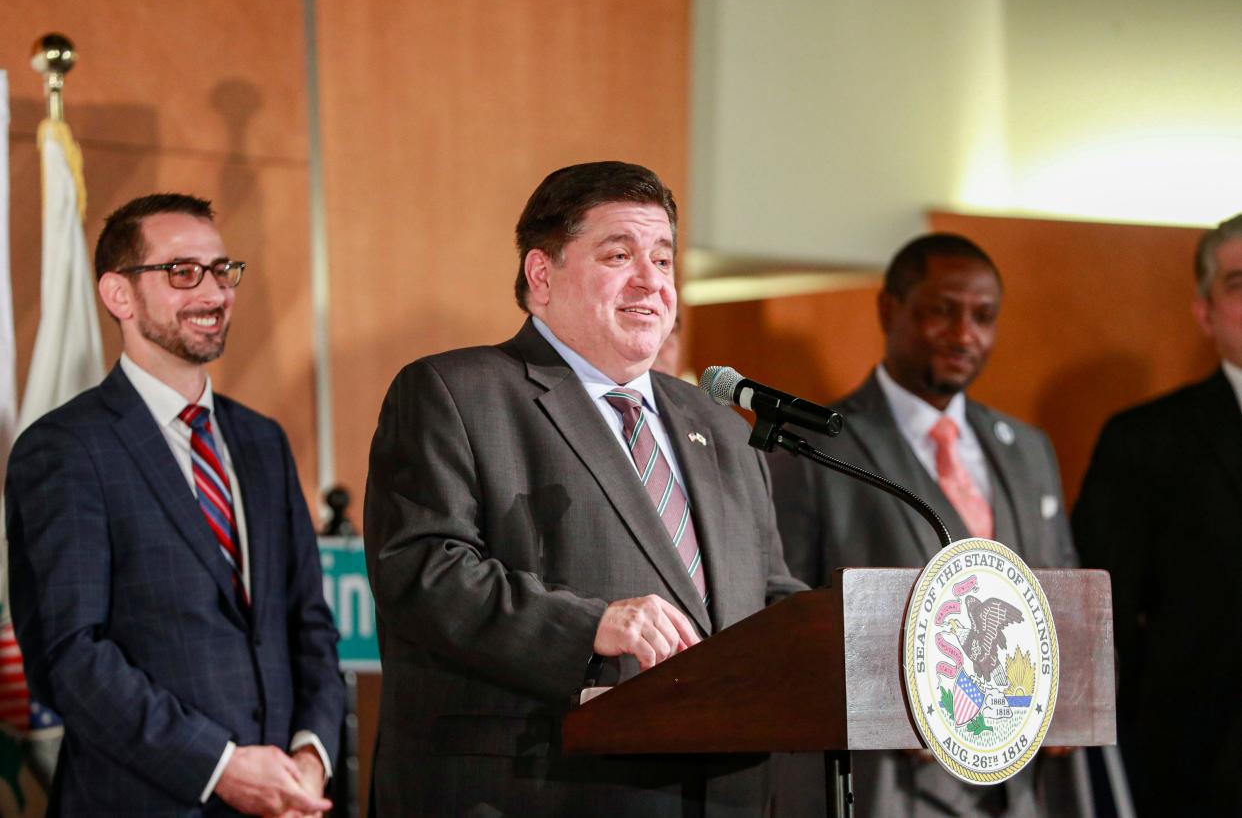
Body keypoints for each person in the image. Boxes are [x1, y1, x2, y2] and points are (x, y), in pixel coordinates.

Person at [364, 161, 805, 816]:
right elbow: (424, 575)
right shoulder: (457, 394)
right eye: (619, 255)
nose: (651, 281)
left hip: (720, 793)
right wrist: (590, 625)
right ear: (542, 277)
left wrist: (848, 628)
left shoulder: (718, 425)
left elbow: (763, 594)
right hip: (539, 790)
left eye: (662, 259)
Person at [5, 194, 345, 816]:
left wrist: (311, 755)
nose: (214, 294)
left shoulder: (262, 442)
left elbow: (309, 624)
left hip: (288, 801)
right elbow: (71, 655)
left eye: (222, 270)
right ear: (119, 295)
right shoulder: (63, 449)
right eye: (182, 272)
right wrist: (220, 766)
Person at [768, 233, 1086, 817]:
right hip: (889, 782)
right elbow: (783, 621)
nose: (966, 335)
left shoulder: (1028, 450)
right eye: (943, 311)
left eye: (984, 317)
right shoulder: (813, 450)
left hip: (1022, 784)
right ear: (890, 309)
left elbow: (1061, 593)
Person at [1073, 214, 1242, 815]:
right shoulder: (1143, 439)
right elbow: (1102, 616)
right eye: (1239, 284)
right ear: (1204, 311)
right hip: (1198, 768)